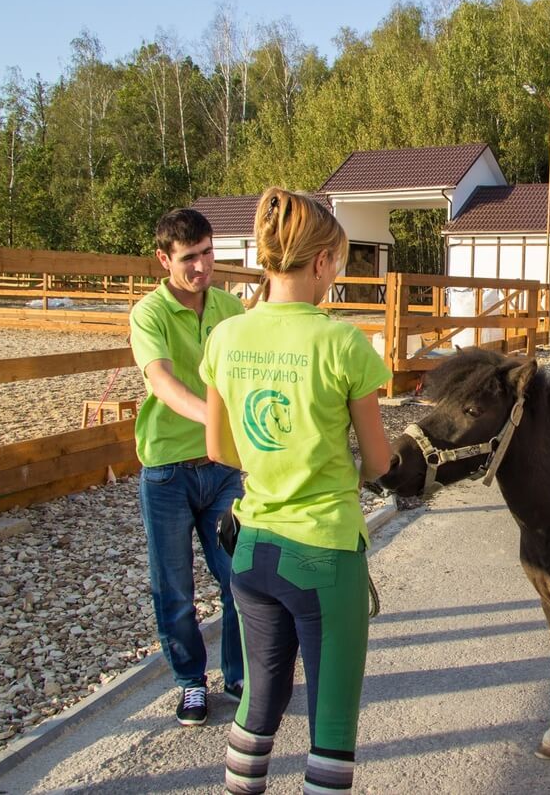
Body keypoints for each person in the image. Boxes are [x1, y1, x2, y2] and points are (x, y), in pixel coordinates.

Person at [201, 188, 392, 795]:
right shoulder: (343, 343)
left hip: (253, 546)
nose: (336, 274)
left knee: (260, 700)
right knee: (331, 726)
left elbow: (219, 450)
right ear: (319, 263)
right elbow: (379, 461)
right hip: (324, 551)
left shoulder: (226, 337)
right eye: (337, 261)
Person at [129, 208, 246, 726]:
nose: (201, 268)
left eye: (207, 254)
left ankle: (241, 674)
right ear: (164, 259)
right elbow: (162, 382)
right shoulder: (148, 314)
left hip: (222, 466)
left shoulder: (229, 306)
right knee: (172, 586)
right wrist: (215, 418)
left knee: (239, 573)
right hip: (168, 472)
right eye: (188, 259)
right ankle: (189, 683)